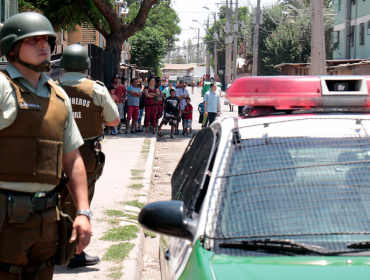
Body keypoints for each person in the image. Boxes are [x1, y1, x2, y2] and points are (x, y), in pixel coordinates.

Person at [0, 12, 92, 279]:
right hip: (6, 220)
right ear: (12, 48)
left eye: (47, 40)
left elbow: (72, 157)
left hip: (47, 218)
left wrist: (83, 212)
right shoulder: (4, 89)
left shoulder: (57, 93)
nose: (43, 45)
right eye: (33, 40)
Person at [59, 44, 120, 268]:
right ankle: (74, 252)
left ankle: (57, 246)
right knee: (80, 202)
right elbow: (114, 121)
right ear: (86, 64)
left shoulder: (52, 87)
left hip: (55, 152)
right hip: (85, 154)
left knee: (56, 199)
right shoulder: (96, 89)